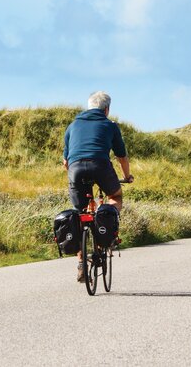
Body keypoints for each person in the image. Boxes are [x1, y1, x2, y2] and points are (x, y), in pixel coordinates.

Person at [63, 90, 134, 281]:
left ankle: (81, 263)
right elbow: (122, 157)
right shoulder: (110, 125)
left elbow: (66, 162)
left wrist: (74, 179)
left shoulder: (73, 125)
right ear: (107, 109)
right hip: (100, 166)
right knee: (115, 197)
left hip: (76, 169)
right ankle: (105, 229)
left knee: (79, 214)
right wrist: (127, 177)